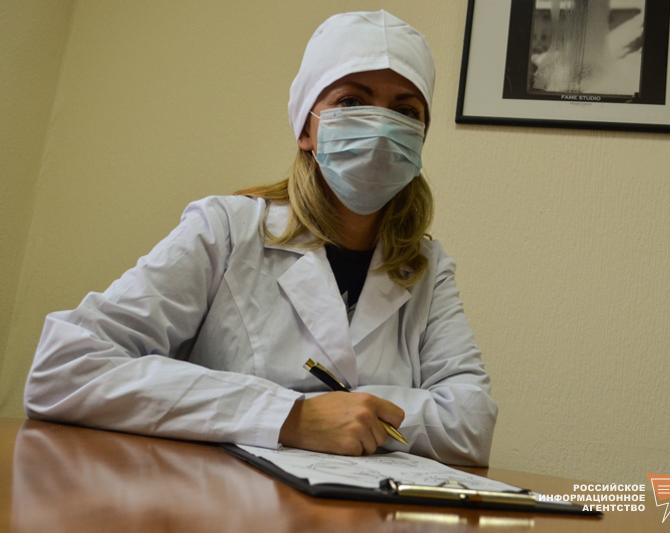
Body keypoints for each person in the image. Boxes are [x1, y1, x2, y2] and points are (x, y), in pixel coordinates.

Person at [24, 10, 497, 466]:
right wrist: (290, 415)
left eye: (405, 111)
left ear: (420, 138)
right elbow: (66, 366)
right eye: (352, 102)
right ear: (306, 128)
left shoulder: (427, 266)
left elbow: (472, 423)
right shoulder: (226, 230)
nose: (379, 129)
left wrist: (353, 413)